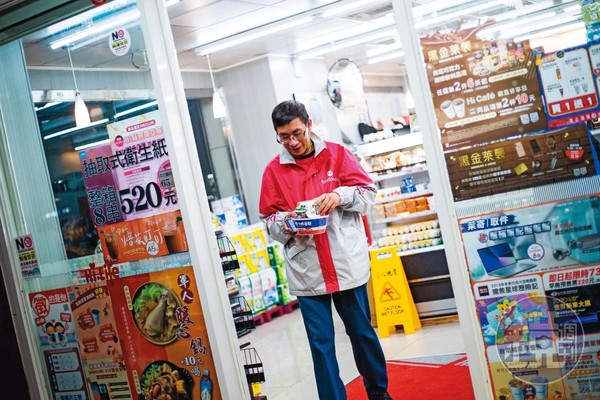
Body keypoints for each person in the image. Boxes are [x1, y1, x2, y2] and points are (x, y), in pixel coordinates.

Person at [259, 100, 392, 400]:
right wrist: (288, 221)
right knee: (321, 346)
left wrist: (340, 195)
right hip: (307, 270)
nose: (292, 142)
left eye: (297, 133)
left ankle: (379, 393)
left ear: (308, 124)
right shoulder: (273, 172)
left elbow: (368, 195)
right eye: (284, 137)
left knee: (362, 334)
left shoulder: (337, 154)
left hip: (345, 262)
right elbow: (269, 223)